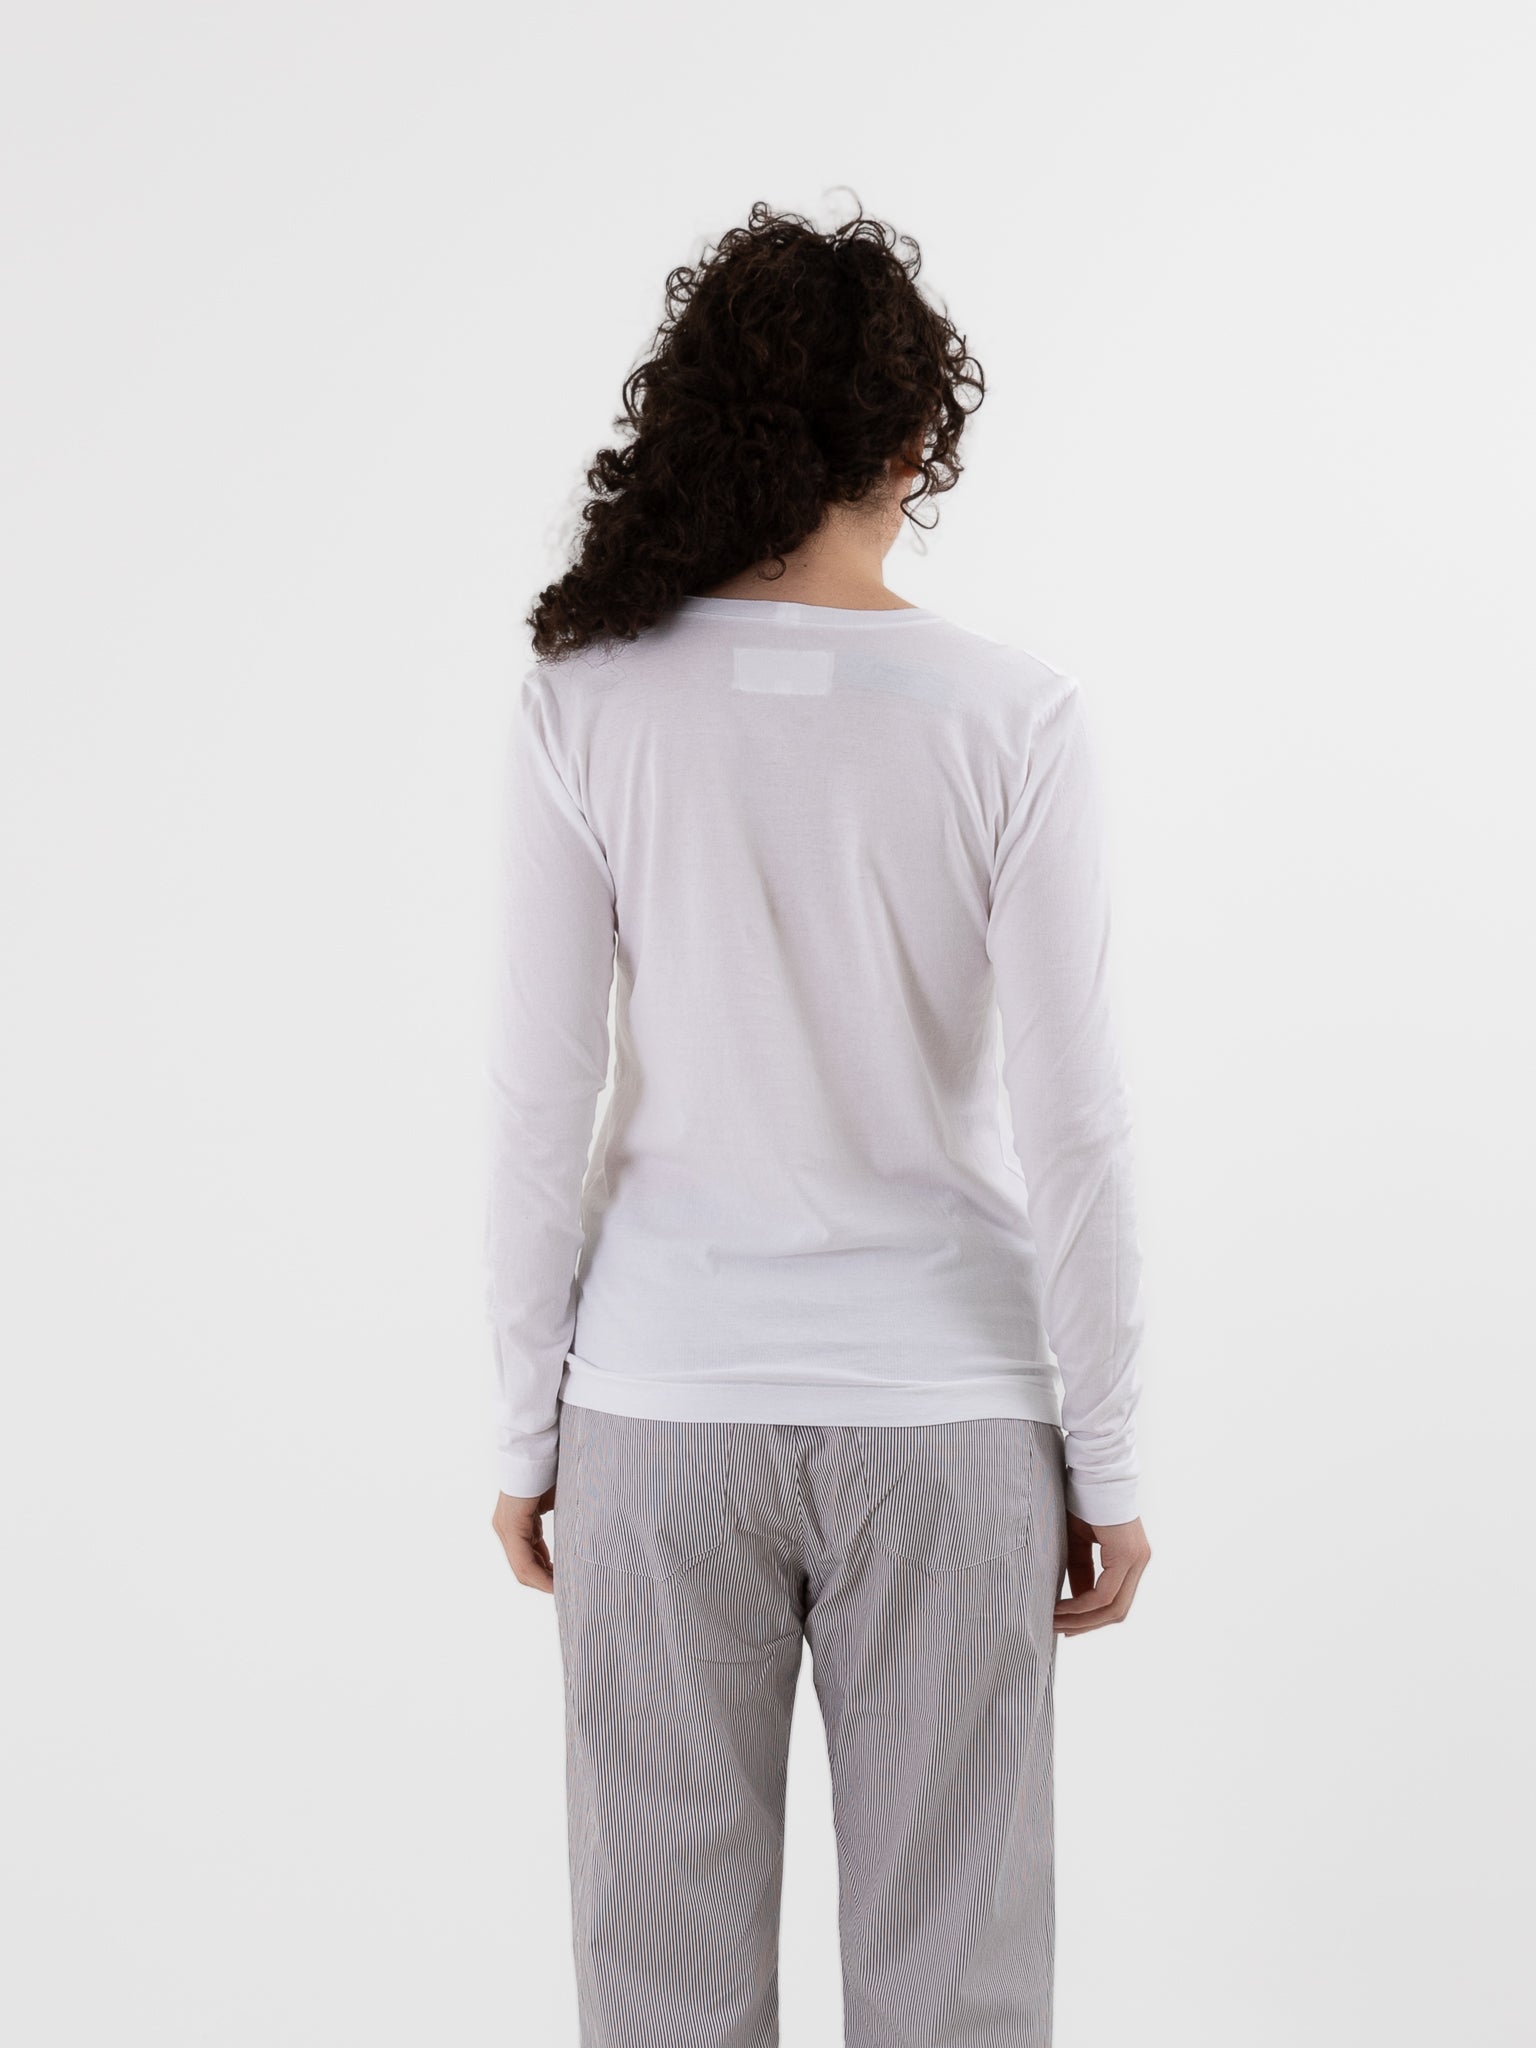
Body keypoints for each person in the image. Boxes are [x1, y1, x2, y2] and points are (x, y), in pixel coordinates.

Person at [485, 200, 1150, 2047]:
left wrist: (525, 1420)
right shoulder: (1013, 716)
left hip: (659, 1413)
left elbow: (539, 1093)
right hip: (950, 1420)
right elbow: (1078, 1121)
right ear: (914, 439)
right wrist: (1106, 1459)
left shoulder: (583, 702)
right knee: (957, 2001)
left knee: (661, 1995)